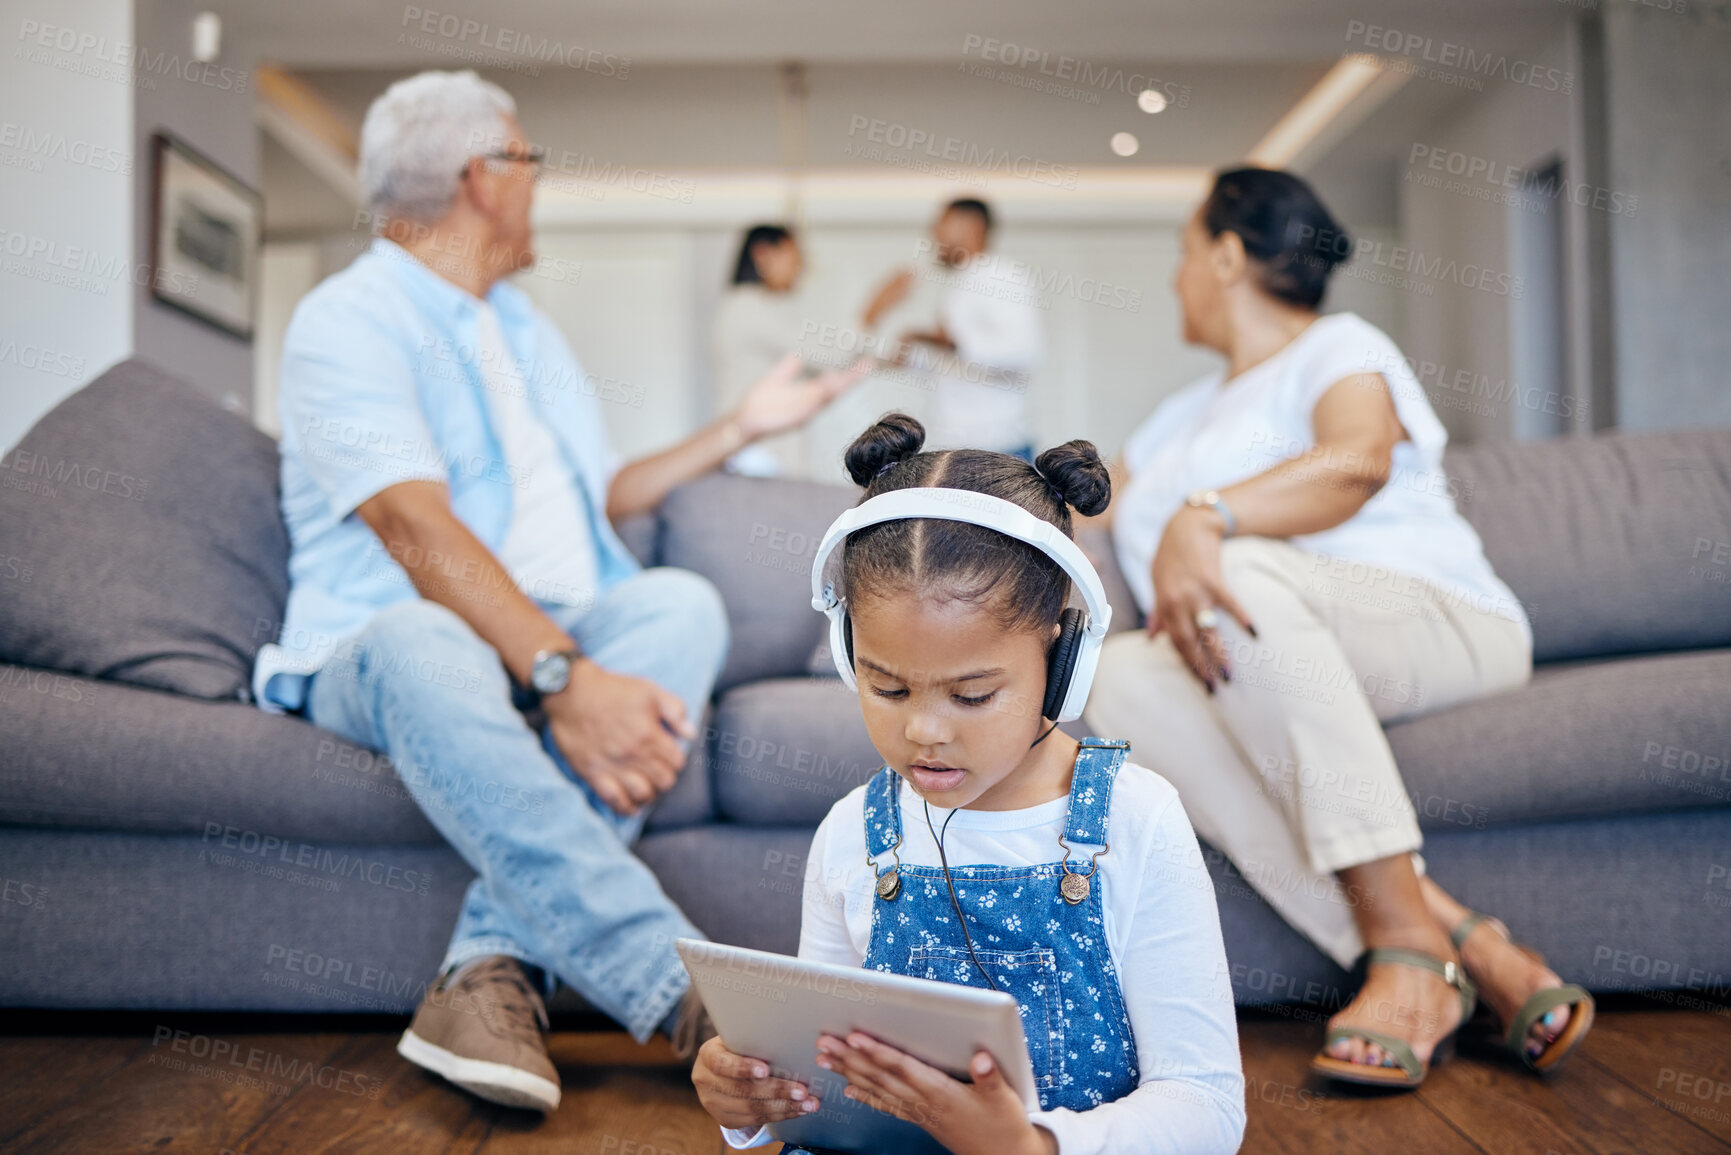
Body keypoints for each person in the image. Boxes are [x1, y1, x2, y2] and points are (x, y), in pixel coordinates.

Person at [253, 70, 865, 1114]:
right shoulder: (345, 319)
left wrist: (740, 429)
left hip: (560, 624)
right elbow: (413, 528)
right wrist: (563, 675)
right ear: (484, 178)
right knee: (424, 641)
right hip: (389, 640)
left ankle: (488, 970)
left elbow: (605, 495)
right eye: (529, 161)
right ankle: (683, 994)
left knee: (679, 603)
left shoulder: (526, 334)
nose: (538, 183)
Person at [1084, 167, 1594, 1088]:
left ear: (1227, 255)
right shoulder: (1171, 419)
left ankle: (1402, 941)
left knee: (1229, 571)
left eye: (1184, 255)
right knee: (1114, 677)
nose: (1174, 279)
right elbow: (1090, 518)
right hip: (1255, 653)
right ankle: (1455, 948)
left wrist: (1205, 516)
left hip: (1433, 620)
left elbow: (1357, 459)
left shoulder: (1336, 346)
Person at [692, 413, 1246, 1154]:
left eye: (973, 694)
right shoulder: (850, 832)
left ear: (1064, 660)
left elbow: (1206, 1104)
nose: (924, 730)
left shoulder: (1135, 819)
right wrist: (751, 1102)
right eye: (888, 689)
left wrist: (1033, 1146)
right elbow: (815, 1080)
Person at [860, 197, 1044, 458]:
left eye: (941, 224)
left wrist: (945, 340)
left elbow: (1024, 352)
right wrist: (876, 313)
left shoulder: (1001, 276)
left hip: (996, 450)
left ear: (972, 227)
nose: (934, 234)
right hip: (956, 448)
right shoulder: (958, 285)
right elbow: (948, 365)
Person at [711, 223, 811, 477]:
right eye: (794, 257)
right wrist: (872, 315)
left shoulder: (748, 307)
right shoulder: (748, 307)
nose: (800, 267)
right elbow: (828, 354)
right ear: (763, 254)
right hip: (758, 455)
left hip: (758, 451)